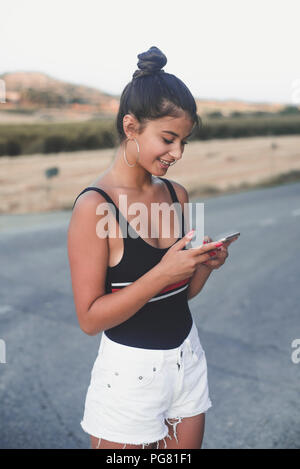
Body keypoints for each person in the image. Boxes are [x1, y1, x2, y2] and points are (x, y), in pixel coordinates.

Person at [67, 46, 237, 450]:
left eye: (184, 141)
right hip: (129, 378)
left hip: (188, 361)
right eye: (168, 138)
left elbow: (180, 293)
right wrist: (160, 273)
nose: (177, 153)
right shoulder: (94, 207)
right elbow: (90, 321)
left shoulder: (180, 196)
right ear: (131, 127)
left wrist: (204, 267)